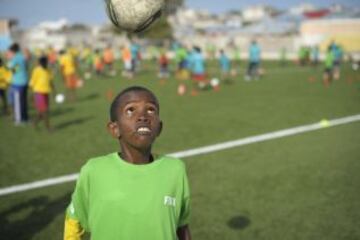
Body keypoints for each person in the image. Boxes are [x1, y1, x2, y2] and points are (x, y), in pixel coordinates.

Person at [64, 86, 191, 240]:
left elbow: (182, 226)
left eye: (150, 110)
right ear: (114, 129)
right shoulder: (94, 170)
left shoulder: (175, 170)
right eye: (131, 110)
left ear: (159, 128)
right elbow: (74, 221)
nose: (143, 116)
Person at [29, 56, 55, 131]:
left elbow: (50, 81)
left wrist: (54, 91)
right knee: (45, 111)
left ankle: (34, 123)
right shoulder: (36, 70)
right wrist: (31, 95)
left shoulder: (48, 70)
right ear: (40, 63)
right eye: (43, 63)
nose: (45, 64)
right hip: (39, 93)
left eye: (46, 63)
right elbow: (32, 82)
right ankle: (48, 127)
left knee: (41, 113)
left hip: (46, 92)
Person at [7, 43, 29, 124]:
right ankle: (25, 118)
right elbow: (25, 65)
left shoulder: (15, 58)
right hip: (25, 81)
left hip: (17, 83)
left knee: (17, 103)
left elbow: (12, 70)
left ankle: (18, 120)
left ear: (12, 51)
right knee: (23, 101)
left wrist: (9, 62)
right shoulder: (21, 56)